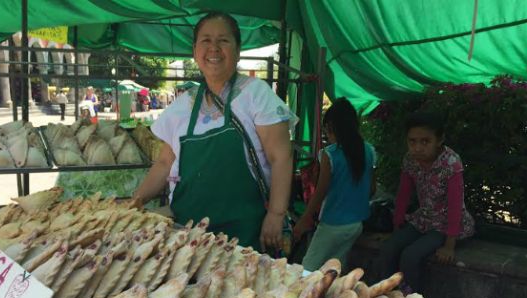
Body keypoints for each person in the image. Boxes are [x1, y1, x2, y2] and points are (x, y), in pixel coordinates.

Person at [129, 11, 297, 251]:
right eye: (206, 40)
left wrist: (276, 214)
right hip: (188, 238)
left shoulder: (256, 94)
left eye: (223, 40)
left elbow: (281, 156)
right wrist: (137, 200)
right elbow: (165, 162)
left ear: (237, 51)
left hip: (244, 237)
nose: (214, 48)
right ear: (195, 51)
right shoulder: (183, 104)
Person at [371, 111, 475, 294]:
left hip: (446, 225)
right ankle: (383, 296)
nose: (418, 147)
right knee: (389, 249)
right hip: (423, 218)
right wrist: (396, 229)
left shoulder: (451, 163)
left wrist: (449, 245)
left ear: (439, 139)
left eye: (425, 141)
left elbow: (455, 205)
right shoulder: (410, 160)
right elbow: (403, 194)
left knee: (411, 256)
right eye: (412, 141)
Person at [292, 98, 376, 272]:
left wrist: (305, 218)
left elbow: (320, 192)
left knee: (308, 269)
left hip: (332, 223)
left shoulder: (330, 154)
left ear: (331, 128)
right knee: (335, 269)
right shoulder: (368, 150)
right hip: (356, 224)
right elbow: (372, 189)